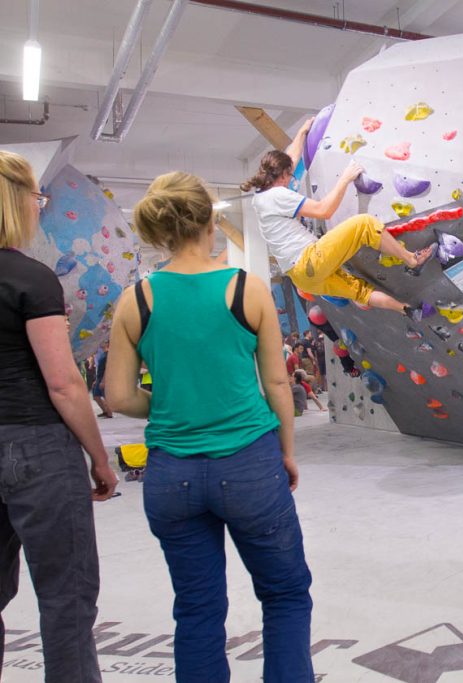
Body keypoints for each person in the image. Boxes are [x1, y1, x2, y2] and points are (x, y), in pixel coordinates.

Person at [105, 171, 314, 682]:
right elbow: (278, 386)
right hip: (249, 466)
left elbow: (118, 396)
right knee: (285, 595)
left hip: (170, 477)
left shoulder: (137, 300)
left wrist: (173, 401)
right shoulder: (247, 289)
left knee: (197, 609)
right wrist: (286, 452)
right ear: (210, 221)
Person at [0, 150, 118, 682]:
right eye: (37, 199)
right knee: (66, 600)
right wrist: (99, 457)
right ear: (17, 202)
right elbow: (64, 382)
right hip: (37, 449)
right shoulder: (31, 278)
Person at [242, 120, 435, 317]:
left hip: (302, 278)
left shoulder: (261, 196)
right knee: (365, 224)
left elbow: (290, 159)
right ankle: (412, 260)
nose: (292, 179)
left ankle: (407, 310)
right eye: (289, 175)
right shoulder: (278, 195)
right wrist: (346, 178)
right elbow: (323, 210)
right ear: (281, 176)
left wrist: (301, 132)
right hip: (309, 260)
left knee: (359, 291)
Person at [92, 340, 113, 417]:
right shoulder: (102, 354)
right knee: (96, 396)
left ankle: (109, 413)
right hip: (99, 377)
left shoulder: (108, 355)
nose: (101, 343)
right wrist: (96, 380)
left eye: (104, 342)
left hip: (104, 378)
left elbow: (108, 369)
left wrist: (103, 381)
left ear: (108, 344)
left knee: (105, 396)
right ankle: (105, 411)